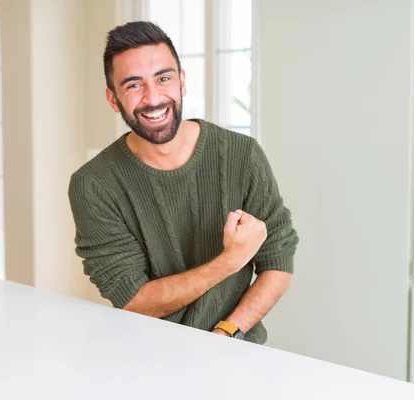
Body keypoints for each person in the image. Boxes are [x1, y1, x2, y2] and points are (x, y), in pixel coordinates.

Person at [68, 21, 298, 344]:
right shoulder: (93, 186)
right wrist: (228, 262)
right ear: (112, 98)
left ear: (182, 81)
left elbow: (279, 260)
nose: (152, 98)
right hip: (146, 362)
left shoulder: (241, 156)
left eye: (163, 78)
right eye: (134, 86)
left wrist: (228, 331)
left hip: (236, 349)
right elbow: (135, 300)